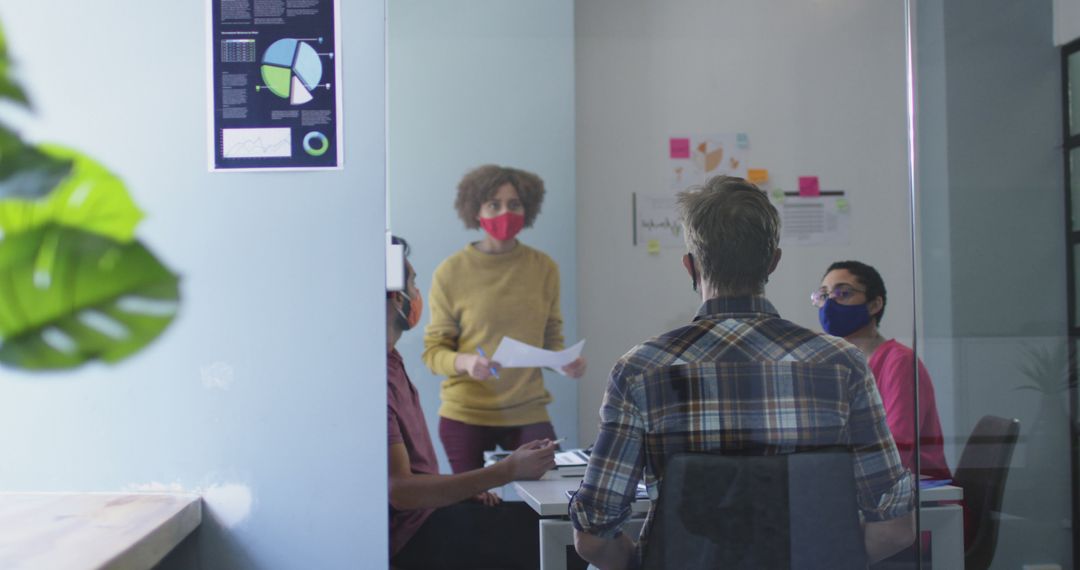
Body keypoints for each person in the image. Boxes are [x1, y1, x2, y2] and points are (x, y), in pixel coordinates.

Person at [569, 176, 915, 569]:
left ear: (691, 266)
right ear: (773, 262)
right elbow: (894, 530)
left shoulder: (640, 370)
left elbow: (594, 539)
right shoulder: (842, 364)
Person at [387, 236, 557, 569]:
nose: (417, 293)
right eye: (413, 282)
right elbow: (400, 490)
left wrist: (459, 490)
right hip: (413, 538)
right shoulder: (375, 378)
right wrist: (506, 470)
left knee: (550, 524)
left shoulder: (392, 361)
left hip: (429, 516)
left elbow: (416, 477)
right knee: (553, 538)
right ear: (396, 297)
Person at [423, 165, 587, 473]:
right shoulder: (451, 271)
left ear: (528, 208)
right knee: (473, 508)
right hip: (466, 412)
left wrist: (565, 362)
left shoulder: (543, 267)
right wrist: (467, 362)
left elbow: (552, 337)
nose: (505, 212)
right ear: (476, 211)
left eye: (514, 204)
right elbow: (434, 353)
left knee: (549, 499)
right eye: (494, 204)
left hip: (528, 410)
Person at [816, 260, 951, 480]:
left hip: (918, 494)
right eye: (824, 295)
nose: (830, 304)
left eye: (843, 293)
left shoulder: (899, 362)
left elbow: (898, 446)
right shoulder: (836, 364)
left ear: (874, 305)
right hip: (859, 486)